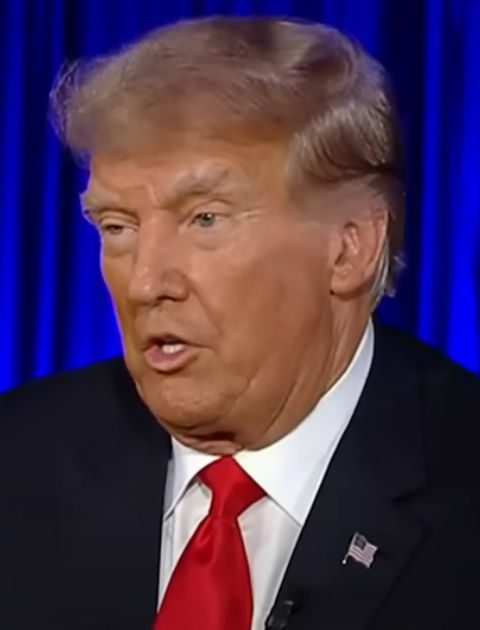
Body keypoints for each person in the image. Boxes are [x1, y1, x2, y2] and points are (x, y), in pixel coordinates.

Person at [0, 15, 479, 630]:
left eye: (205, 219)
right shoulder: (16, 460)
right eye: (117, 227)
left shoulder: (462, 486)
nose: (145, 283)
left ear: (349, 248)